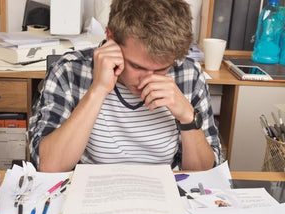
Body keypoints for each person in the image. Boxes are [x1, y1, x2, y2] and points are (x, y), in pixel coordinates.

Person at [29, 0, 222, 172]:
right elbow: (49, 166)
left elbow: (205, 173)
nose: (147, 80)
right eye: (137, 66)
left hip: (165, 197)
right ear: (111, 37)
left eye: (162, 69)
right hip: (89, 195)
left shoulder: (188, 74)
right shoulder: (69, 71)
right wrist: (97, 90)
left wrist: (188, 117)